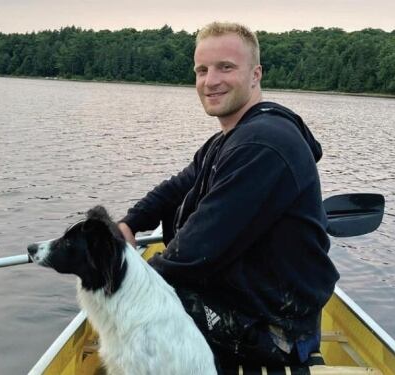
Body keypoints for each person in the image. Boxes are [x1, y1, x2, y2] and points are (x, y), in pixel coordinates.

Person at [117, 22, 339, 370]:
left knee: (129, 310)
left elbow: (196, 250)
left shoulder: (263, 143)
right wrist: (129, 224)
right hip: (246, 296)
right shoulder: (231, 138)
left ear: (255, 75)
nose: (210, 81)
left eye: (226, 67)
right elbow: (177, 187)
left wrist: (127, 283)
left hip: (272, 325)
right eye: (201, 70)